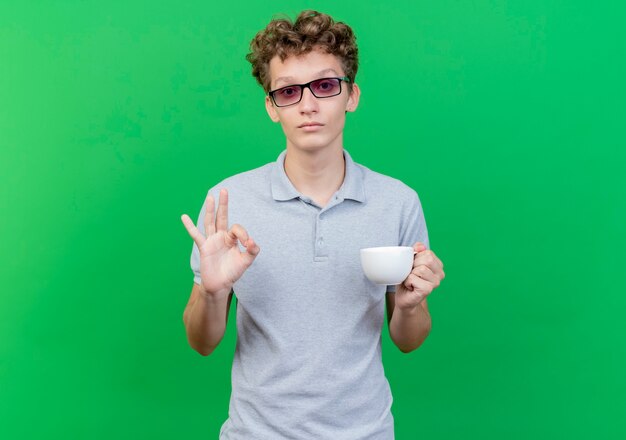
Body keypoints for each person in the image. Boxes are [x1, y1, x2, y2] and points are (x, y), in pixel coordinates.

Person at [181, 10, 445, 439]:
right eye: (287, 91)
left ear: (351, 95)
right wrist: (212, 292)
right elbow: (202, 342)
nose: (308, 105)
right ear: (271, 107)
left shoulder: (397, 202)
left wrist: (412, 305)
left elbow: (407, 339)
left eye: (324, 86)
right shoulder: (229, 201)